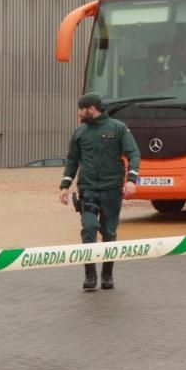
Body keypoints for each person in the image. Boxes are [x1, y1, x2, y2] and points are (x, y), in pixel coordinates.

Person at [58, 92, 141, 290]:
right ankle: (89, 276)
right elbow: (72, 160)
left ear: (91, 108)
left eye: (81, 109)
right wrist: (64, 186)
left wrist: (131, 180)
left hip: (112, 190)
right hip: (88, 190)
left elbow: (133, 153)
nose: (79, 112)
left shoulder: (118, 128)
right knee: (88, 229)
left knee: (109, 233)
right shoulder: (79, 133)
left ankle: (107, 275)